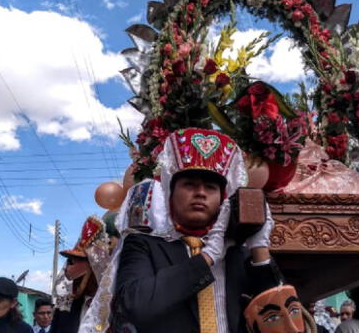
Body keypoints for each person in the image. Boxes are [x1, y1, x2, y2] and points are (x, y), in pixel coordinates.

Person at [88, 128, 281, 333]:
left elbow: (279, 318)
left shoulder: (239, 253)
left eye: (210, 187)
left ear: (222, 199)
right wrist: (208, 256)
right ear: (170, 195)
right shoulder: (144, 245)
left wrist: (259, 248)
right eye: (189, 185)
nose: (200, 193)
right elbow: (136, 307)